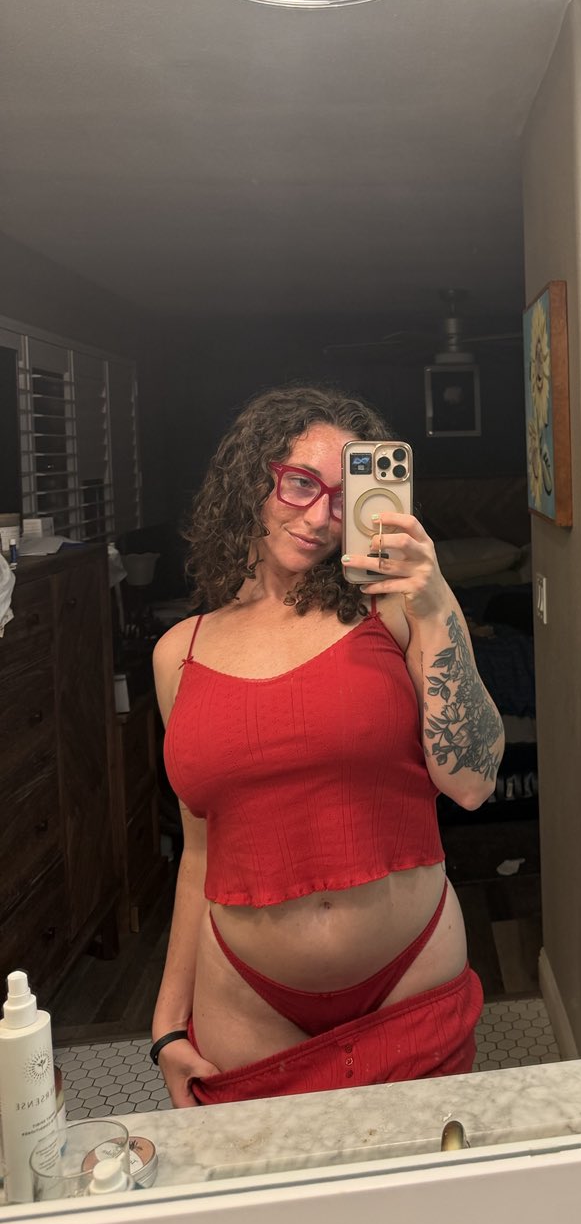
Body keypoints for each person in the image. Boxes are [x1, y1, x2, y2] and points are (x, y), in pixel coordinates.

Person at [149, 386, 504, 1106]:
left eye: (346, 497)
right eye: (301, 483)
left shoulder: (397, 610)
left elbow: (472, 781)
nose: (319, 517)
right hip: (248, 1003)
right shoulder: (178, 653)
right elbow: (200, 853)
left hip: (410, 978)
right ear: (254, 481)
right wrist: (165, 1025)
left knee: (425, 1175)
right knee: (267, 1179)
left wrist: (437, 601)